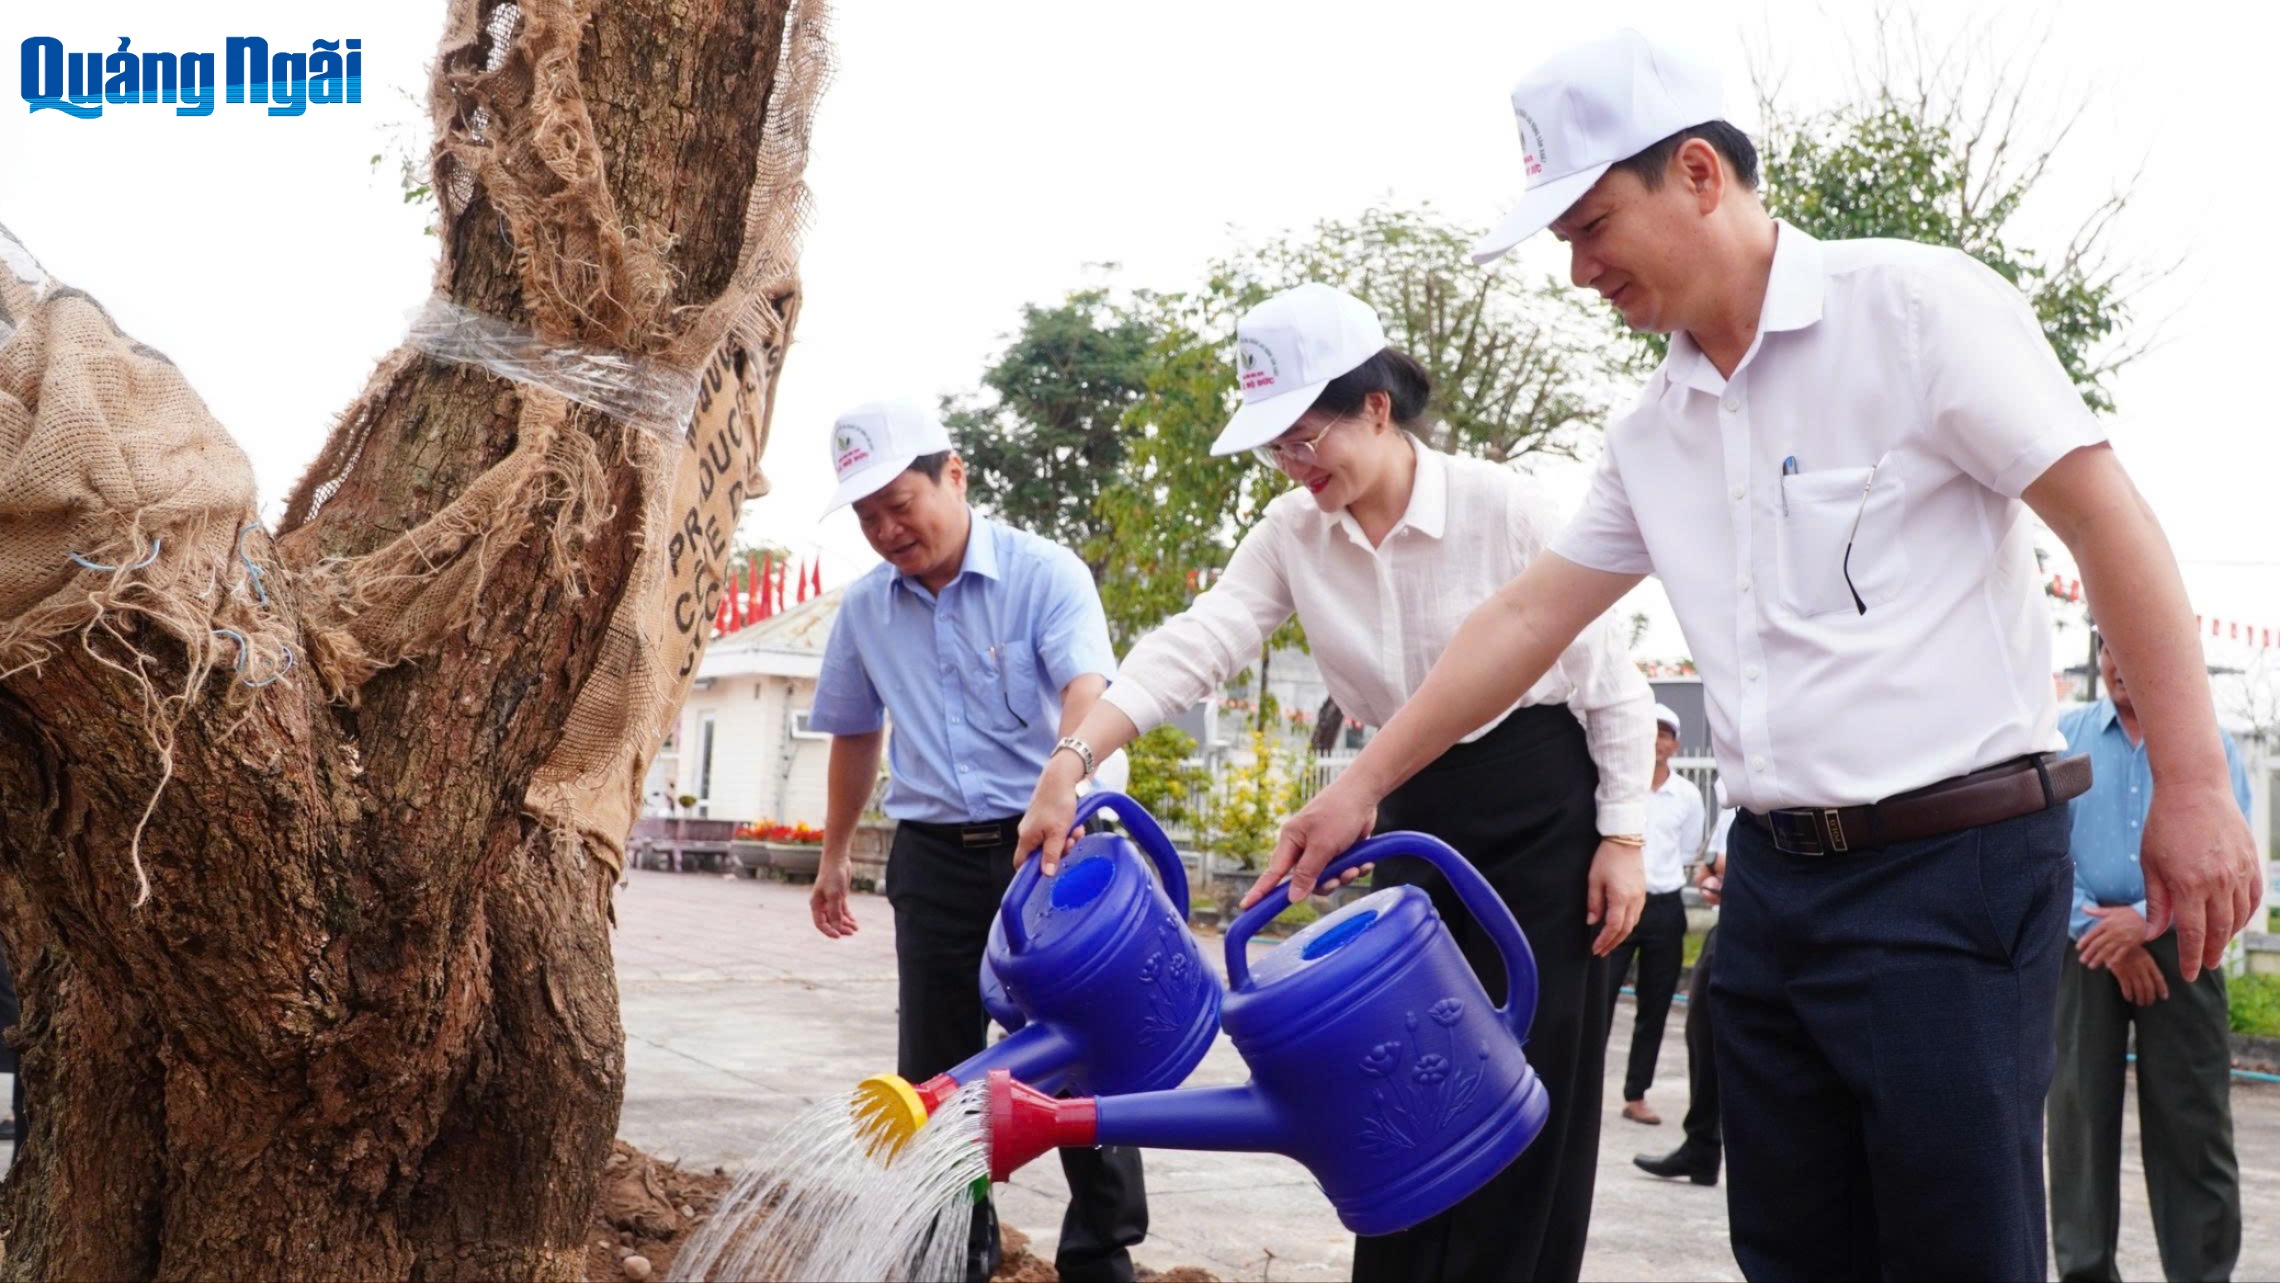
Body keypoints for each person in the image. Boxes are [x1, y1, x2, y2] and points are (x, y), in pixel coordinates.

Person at [1248, 29, 2263, 1281]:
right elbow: (1522, 622)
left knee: (1958, 1250)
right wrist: (1359, 781)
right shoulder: (1654, 430)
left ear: (1695, 172)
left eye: (1589, 224)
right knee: (1790, 1247)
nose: (1577, 271)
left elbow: (2107, 518)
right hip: (1779, 887)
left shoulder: (1915, 309)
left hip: (1954, 869)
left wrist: (2198, 784)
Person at [1018, 282, 1656, 1283]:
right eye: (1276, 444)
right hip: (1407, 814)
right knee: (1398, 1083)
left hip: (1542, 813)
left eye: (1307, 433)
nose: (1294, 461)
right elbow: (1200, 642)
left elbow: (1610, 678)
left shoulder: (1504, 504)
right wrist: (1075, 759)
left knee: (1531, 1090)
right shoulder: (1291, 532)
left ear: (1376, 405)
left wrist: (1623, 833)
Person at [804, 400, 1148, 1283]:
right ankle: (954, 1250)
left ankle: (1102, 1255)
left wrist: (1060, 783)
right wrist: (837, 849)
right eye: (867, 517)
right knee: (936, 1068)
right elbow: (853, 730)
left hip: (1054, 848)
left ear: (953, 473)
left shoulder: (1043, 572)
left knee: (1078, 1052)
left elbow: (1086, 686)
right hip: (933, 855)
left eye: (899, 501)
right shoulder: (866, 610)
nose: (886, 529)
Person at [2048, 639, 2249, 1282]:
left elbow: (2229, 852)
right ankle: (2085, 1273)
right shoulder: (2063, 737)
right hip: (2083, 948)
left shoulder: (2210, 752)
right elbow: (2042, 851)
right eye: (2105, 643)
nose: (2116, 657)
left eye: (2126, 640)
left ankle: (2203, 1273)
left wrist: (2145, 922)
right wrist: (2104, 930)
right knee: (2077, 1123)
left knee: (2194, 1124)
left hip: (2184, 947)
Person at [1602, 703, 1703, 1125]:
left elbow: (1686, 850)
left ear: (1675, 743)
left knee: (1655, 1006)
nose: (1656, 742)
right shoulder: (1619, 788)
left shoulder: (1688, 795)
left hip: (1664, 905)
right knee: (1599, 998)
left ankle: (1635, 1094)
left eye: (1664, 734)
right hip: (1620, 903)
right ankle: (1584, 1087)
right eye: (1650, 732)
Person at [1636, 790, 1734, 1185]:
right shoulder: (1736, 798)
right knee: (1702, 1030)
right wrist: (1718, 872)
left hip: (1776, 920)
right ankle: (1701, 1147)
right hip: (1730, 923)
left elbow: (1727, 862)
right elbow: (1707, 871)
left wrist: (1724, 868)